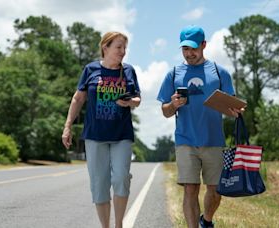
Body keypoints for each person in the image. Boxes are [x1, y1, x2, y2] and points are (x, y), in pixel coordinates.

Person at [157, 25, 242, 228]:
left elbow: (231, 108)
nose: (189, 53)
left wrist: (235, 111)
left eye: (194, 48)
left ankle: (207, 220)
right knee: (190, 188)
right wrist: (173, 105)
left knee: (215, 190)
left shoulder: (220, 73)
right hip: (185, 140)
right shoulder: (173, 74)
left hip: (213, 140)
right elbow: (165, 111)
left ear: (204, 45)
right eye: (185, 49)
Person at [62, 31, 141, 228]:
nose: (123, 52)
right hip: (95, 136)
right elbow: (78, 98)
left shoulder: (128, 71)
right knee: (99, 184)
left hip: (121, 134)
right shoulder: (90, 70)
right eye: (118, 47)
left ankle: (119, 224)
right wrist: (67, 126)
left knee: (121, 177)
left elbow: (138, 100)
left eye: (124, 48)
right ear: (105, 47)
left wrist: (130, 102)